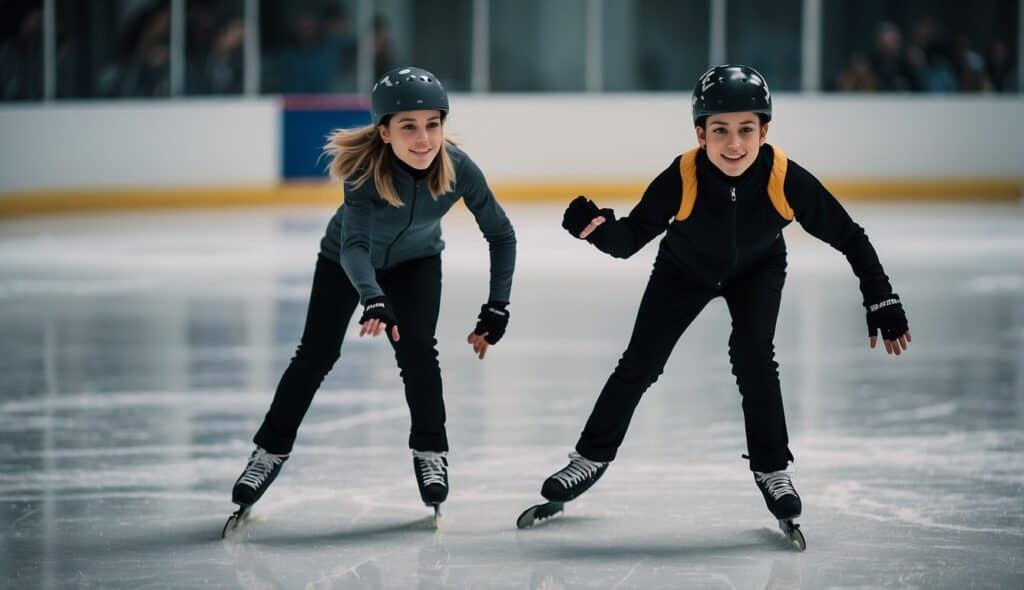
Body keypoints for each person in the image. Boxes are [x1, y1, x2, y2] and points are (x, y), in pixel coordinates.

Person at [538, 65, 910, 527]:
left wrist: (880, 296)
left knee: (754, 357)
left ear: (765, 131)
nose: (734, 144)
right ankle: (589, 458)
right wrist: (596, 231)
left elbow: (849, 236)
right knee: (641, 362)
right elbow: (631, 238)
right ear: (700, 134)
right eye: (720, 131)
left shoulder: (784, 177)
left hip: (757, 270)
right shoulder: (683, 176)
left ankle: (773, 468)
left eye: (745, 130)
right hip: (683, 270)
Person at [231, 66, 517, 514]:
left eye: (432, 124)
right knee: (316, 353)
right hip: (345, 259)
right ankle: (268, 451)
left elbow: (501, 234)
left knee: (419, 349)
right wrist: (372, 296)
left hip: (417, 261)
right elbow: (355, 246)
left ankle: (431, 452)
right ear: (384, 132)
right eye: (408, 126)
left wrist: (497, 306)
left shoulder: (459, 167)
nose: (423, 138)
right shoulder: (365, 171)